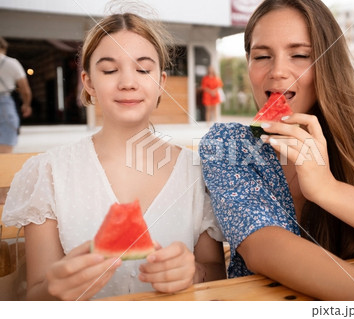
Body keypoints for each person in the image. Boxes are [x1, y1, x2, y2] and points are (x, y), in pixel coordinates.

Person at [199, 0, 354, 300]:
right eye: (262, 56)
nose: (278, 71)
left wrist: (326, 189)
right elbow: (262, 246)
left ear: (328, 63)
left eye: (301, 55)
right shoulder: (228, 146)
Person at [2, 12, 226, 301]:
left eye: (143, 70)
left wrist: (195, 273)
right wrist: (54, 291)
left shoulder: (197, 172)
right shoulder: (48, 172)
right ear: (89, 83)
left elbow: (217, 274)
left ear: (161, 82)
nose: (128, 82)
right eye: (109, 70)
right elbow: (36, 296)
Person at [0, 37, 32, 153]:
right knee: (5, 146)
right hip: (4, 103)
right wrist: (26, 104)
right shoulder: (11, 63)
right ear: (3, 48)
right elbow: (25, 88)